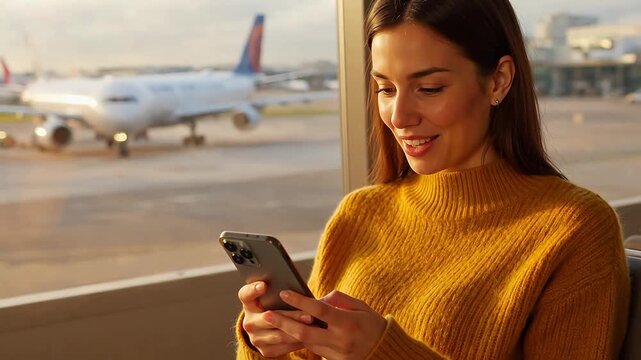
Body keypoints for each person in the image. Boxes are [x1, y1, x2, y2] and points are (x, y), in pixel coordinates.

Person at [234, 0, 631, 358]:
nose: (399, 116)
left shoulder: (574, 227)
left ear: (498, 81)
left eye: (429, 88)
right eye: (385, 88)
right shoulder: (360, 212)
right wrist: (269, 346)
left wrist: (383, 353)